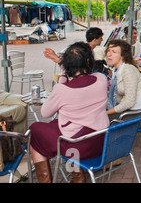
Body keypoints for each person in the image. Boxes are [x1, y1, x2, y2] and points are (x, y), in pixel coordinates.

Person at [29, 42, 109, 183]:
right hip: (100, 141)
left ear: (68, 65)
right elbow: (87, 74)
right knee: (55, 124)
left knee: (34, 131)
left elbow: (45, 112)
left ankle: (51, 180)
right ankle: (77, 177)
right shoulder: (101, 79)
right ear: (89, 61)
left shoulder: (63, 89)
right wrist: (64, 63)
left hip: (77, 146)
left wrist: (62, 78)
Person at [105, 39, 141, 121]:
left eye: (114, 52)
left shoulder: (128, 70)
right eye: (108, 50)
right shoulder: (116, 71)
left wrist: (106, 113)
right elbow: (117, 95)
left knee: (98, 120)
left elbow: (129, 102)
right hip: (129, 111)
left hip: (139, 115)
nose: (109, 54)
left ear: (123, 56)